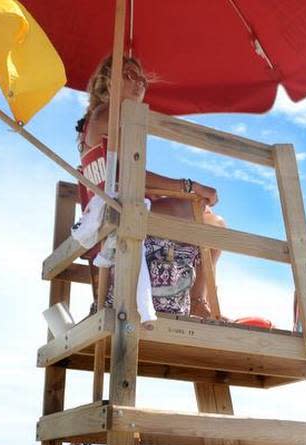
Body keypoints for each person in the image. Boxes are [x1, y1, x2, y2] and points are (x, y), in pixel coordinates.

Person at [76, 55, 222, 318]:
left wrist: (177, 189)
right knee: (212, 223)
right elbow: (126, 173)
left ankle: (197, 300)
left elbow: (125, 173)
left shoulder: (113, 119)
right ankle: (198, 301)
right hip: (118, 211)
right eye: (129, 75)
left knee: (214, 223)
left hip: (123, 207)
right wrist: (189, 186)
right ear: (108, 82)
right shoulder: (107, 115)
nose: (140, 83)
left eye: (142, 79)